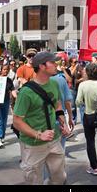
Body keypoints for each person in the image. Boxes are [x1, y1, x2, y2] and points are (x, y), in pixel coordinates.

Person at [13, 52, 70, 185]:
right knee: (34, 181)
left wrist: (63, 121)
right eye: (53, 62)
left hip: (54, 140)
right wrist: (39, 135)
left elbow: (57, 105)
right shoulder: (26, 92)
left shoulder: (54, 83)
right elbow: (17, 121)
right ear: (42, 66)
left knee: (60, 178)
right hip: (33, 145)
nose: (57, 65)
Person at [0, 64, 17, 149]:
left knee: (4, 120)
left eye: (7, 70)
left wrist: (18, 97)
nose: (6, 71)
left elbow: (13, 91)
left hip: (5, 102)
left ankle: (2, 136)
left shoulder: (9, 81)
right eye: (4, 69)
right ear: (1, 70)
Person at [52, 57, 75, 149]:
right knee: (60, 147)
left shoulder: (36, 81)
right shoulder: (61, 79)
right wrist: (70, 117)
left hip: (44, 120)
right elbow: (67, 102)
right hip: (59, 118)